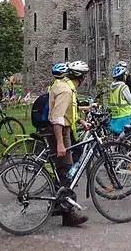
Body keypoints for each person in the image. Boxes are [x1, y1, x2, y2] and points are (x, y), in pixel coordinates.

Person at [48, 60, 92, 227]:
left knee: (63, 172)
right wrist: (60, 143)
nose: (86, 79)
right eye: (85, 77)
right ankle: (69, 216)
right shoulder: (66, 90)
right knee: (67, 173)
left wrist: (81, 121)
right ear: (80, 77)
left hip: (66, 131)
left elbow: (68, 112)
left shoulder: (66, 87)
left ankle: (56, 206)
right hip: (61, 132)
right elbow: (58, 117)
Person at [107, 65, 131, 135]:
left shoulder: (112, 87)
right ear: (123, 76)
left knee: (116, 137)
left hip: (115, 115)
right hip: (125, 115)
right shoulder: (123, 87)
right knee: (127, 137)